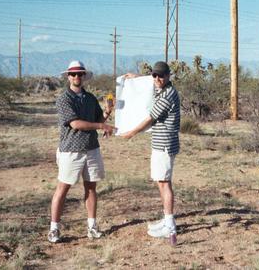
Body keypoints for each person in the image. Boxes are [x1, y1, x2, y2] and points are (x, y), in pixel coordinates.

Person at [48, 60, 115, 244]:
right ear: (68, 76)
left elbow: (98, 118)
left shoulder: (91, 98)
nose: (77, 77)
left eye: (80, 74)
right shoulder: (64, 99)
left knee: (91, 187)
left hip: (91, 148)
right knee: (63, 188)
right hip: (71, 149)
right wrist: (102, 125)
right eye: (73, 74)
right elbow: (76, 123)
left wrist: (107, 112)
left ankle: (92, 226)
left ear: (84, 76)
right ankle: (54, 228)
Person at [122, 61, 180, 245]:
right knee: (162, 182)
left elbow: (150, 118)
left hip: (164, 145)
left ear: (169, 76)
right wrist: (137, 78)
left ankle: (169, 225)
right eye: (154, 75)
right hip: (160, 143)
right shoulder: (161, 87)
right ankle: (166, 219)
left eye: (161, 75)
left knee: (164, 183)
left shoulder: (167, 94)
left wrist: (131, 133)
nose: (157, 79)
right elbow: (151, 83)